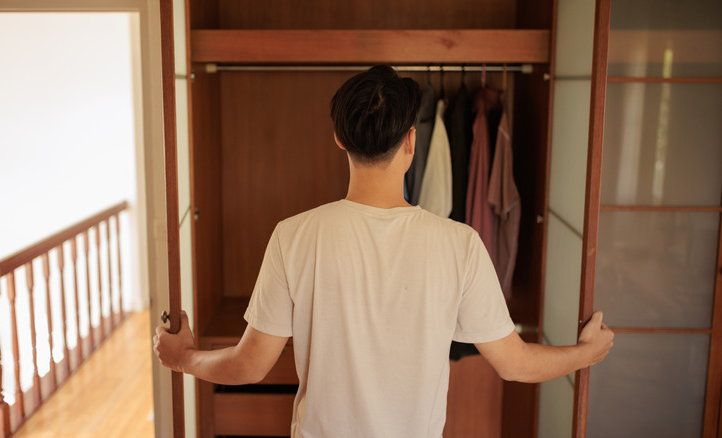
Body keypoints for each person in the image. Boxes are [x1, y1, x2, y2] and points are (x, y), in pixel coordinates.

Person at [153, 65, 614, 437]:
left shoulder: (293, 236)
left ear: (339, 138)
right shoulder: (461, 244)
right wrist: (584, 354)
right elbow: (514, 364)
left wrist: (183, 358)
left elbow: (249, 364)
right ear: (412, 141)